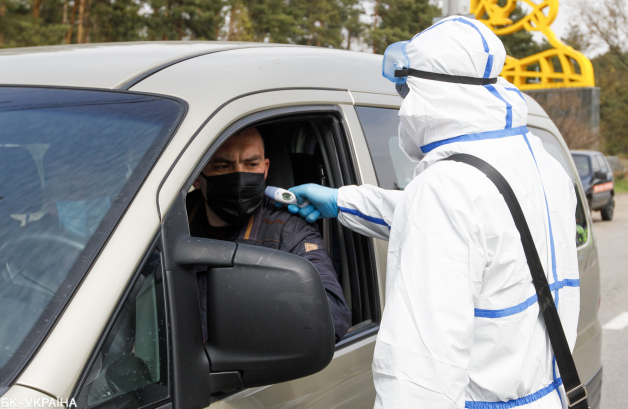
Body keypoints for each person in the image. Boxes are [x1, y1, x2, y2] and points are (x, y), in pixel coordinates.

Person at [281, 16, 580, 409]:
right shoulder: (539, 163)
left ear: (428, 94)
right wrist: (341, 200)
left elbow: (419, 376)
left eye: (406, 91)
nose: (404, 104)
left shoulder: (446, 189)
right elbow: (475, 229)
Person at [187, 127, 350, 342]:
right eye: (222, 166)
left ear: (265, 169)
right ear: (197, 176)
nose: (239, 175)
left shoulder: (289, 227)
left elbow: (330, 316)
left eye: (251, 164)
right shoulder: (172, 220)